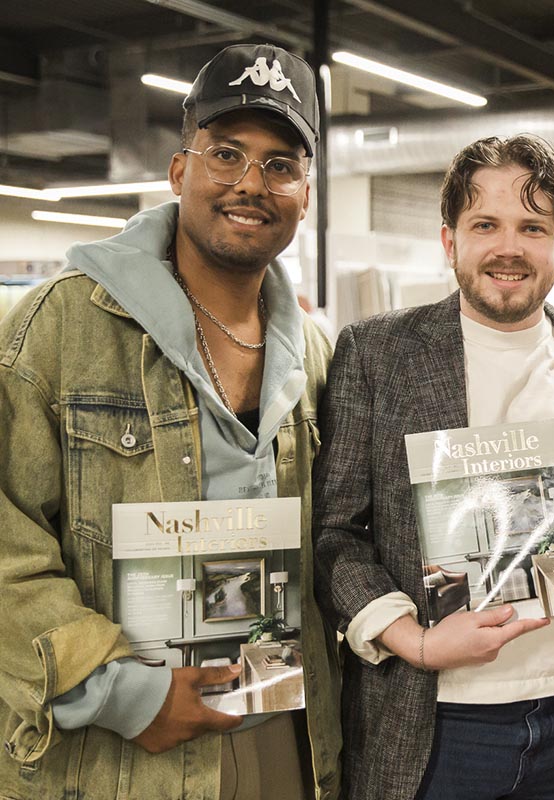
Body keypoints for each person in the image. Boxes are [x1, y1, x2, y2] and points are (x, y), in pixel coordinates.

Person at [0, 43, 340, 798]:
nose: (252, 184)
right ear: (180, 169)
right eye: (227, 154)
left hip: (283, 731)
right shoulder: (58, 328)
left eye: (281, 164)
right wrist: (123, 692)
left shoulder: (317, 357)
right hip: (112, 753)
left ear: (305, 196)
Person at [311, 134, 554, 800]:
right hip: (432, 719)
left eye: (532, 227)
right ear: (449, 240)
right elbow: (335, 537)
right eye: (485, 224)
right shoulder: (378, 355)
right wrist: (415, 640)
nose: (508, 247)